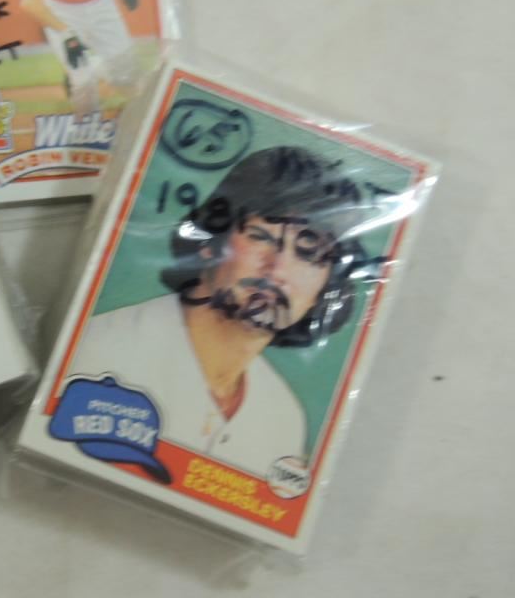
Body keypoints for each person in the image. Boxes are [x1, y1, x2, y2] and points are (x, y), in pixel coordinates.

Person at [67, 146, 369, 477]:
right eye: (261, 237)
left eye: (308, 255)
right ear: (210, 241)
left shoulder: (284, 418)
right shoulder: (98, 353)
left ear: (323, 290)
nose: (277, 269)